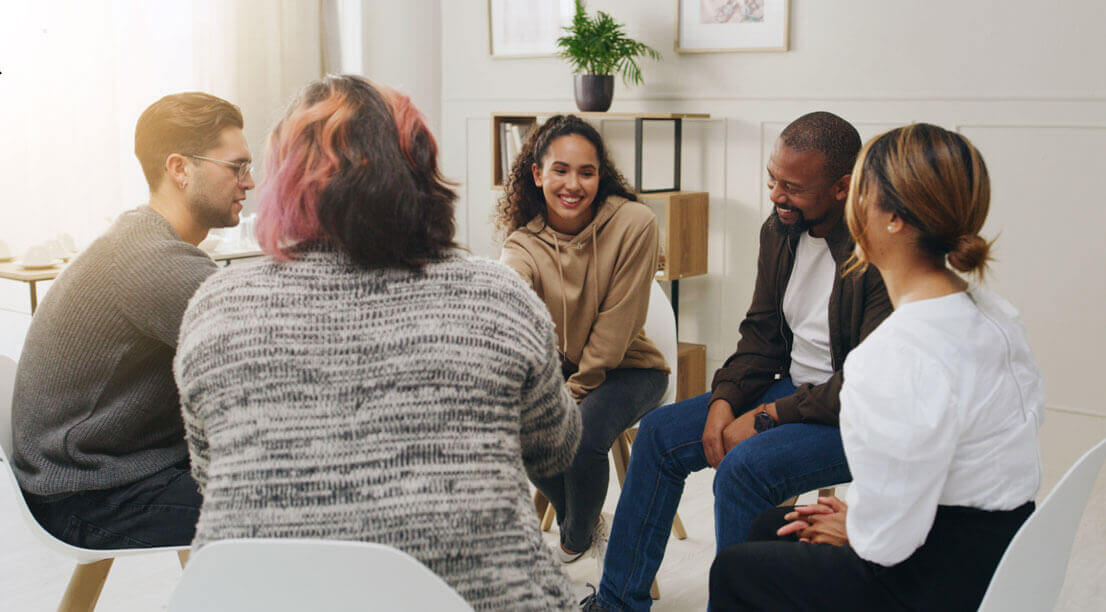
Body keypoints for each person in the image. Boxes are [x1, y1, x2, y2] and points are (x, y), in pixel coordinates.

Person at [173, 75, 581, 610]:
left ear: (284, 181)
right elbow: (555, 445)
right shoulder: (497, 296)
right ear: (419, 172)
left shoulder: (216, 306)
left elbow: (209, 472)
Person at [709, 123, 1044, 611]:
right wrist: (861, 517)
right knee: (769, 528)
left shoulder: (893, 355)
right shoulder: (995, 314)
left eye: (859, 195)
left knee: (735, 570)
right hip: (998, 545)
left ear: (892, 221)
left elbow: (885, 546)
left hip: (934, 581)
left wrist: (857, 527)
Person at [586, 112, 892, 610]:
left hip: (855, 418)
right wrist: (725, 399)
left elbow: (864, 384)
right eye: (773, 179)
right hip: (794, 389)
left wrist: (768, 416)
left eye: (792, 186)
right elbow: (761, 335)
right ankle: (616, 603)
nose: (775, 195)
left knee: (743, 470)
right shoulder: (780, 232)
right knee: (661, 435)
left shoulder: (877, 253)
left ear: (842, 187)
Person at [11, 92, 253, 548]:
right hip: (89, 494)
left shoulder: (142, 239)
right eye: (236, 167)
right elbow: (262, 340)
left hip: (92, 471)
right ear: (180, 169)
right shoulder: (149, 259)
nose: (250, 182)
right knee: (296, 509)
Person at [496, 114, 669, 564]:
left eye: (586, 172)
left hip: (631, 370)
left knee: (580, 432)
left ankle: (572, 541)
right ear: (537, 174)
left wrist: (569, 397)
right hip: (565, 373)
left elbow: (616, 331)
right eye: (560, 170)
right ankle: (589, 523)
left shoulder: (635, 223)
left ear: (600, 176)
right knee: (526, 426)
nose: (573, 184)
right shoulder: (524, 242)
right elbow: (512, 285)